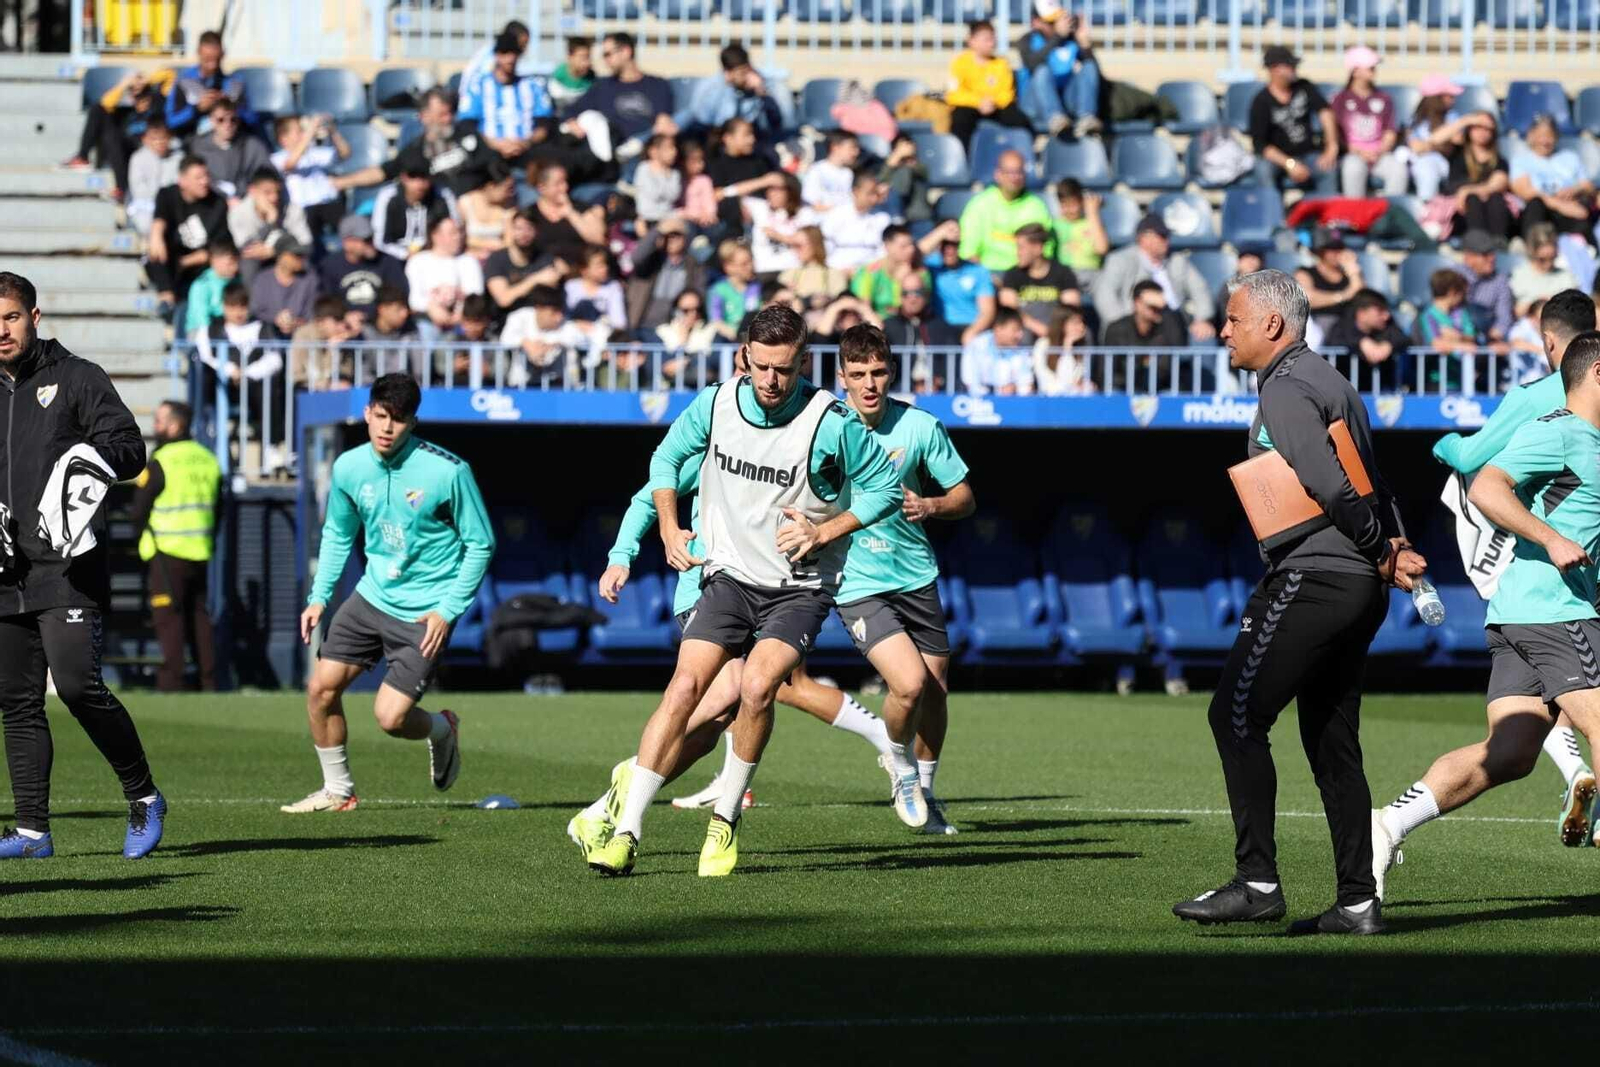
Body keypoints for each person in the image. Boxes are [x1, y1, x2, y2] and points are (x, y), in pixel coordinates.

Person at [584, 305, 904, 877]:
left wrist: (824, 531)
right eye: (761, 367)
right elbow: (665, 460)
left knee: (757, 689)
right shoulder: (714, 403)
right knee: (687, 689)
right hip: (727, 578)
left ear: (804, 363)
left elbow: (885, 489)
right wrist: (665, 529)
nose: (771, 381)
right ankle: (626, 828)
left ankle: (725, 817)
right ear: (744, 357)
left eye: (785, 369)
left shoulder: (831, 422)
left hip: (799, 587)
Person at [1173, 269, 1423, 934]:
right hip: (1357, 585)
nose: (1223, 331)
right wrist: (1392, 546)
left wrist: (1380, 547)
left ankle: (1256, 882)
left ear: (1272, 324)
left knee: (1234, 715)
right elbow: (1374, 481)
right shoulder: (1332, 381)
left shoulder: (1285, 386)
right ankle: (1357, 902)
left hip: (1315, 576)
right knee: (1331, 739)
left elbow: (1332, 486)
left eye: (1233, 319)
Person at [1373, 331, 1600, 897]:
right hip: (1556, 610)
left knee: (1510, 754)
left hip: (1521, 615)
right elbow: (1487, 489)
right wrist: (1551, 539)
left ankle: (1386, 825)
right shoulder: (1561, 431)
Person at [0, 272, 166, 860]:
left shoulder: (77, 377)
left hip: (69, 567)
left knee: (76, 686)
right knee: (17, 701)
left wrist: (90, 460)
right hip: (6, 571)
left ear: (34, 317)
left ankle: (144, 795)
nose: (1, 330)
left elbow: (130, 449)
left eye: (10, 317)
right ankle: (32, 832)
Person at [288, 374, 493, 814]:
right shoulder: (349, 467)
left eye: (398, 420)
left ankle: (442, 728)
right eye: (380, 416)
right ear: (367, 413)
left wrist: (447, 610)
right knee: (320, 689)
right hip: (370, 598)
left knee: (390, 718)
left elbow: (481, 544)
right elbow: (338, 534)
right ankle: (338, 791)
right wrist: (319, 596)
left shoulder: (448, 472)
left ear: (413, 423)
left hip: (424, 613)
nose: (386, 427)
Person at [130, 401, 221, 693]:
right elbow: (219, 509)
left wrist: (142, 538)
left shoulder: (162, 461)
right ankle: (209, 681)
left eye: (159, 421)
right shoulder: (208, 459)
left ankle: (173, 681)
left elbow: (138, 510)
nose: (155, 426)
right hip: (201, 549)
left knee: (168, 618)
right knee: (199, 616)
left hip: (167, 550)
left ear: (175, 425)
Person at [335, 88, 500, 199]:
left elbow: (494, 166)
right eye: (442, 115)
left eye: (450, 113)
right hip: (446, 215)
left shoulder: (467, 135)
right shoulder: (416, 151)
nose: (448, 119)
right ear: (424, 117)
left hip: (482, 203)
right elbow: (382, 172)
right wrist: (340, 182)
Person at [1092, 215, 1215, 339]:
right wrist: (1125, 325)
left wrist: (1202, 319)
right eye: (1162, 236)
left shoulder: (1177, 261)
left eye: (1167, 236)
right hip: (1132, 328)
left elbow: (1200, 290)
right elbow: (1104, 295)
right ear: (1144, 238)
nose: (1167, 241)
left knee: (1204, 335)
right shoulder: (1120, 260)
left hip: (1173, 327)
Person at [66, 66, 174, 201]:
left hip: (152, 146)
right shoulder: (128, 115)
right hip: (126, 151)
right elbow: (104, 104)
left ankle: (123, 190)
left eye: (145, 95)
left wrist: (146, 80)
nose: (141, 100)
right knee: (98, 113)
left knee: (116, 139)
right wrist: (124, 84)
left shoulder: (158, 105)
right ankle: (84, 158)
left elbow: (170, 75)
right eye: (136, 95)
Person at [571, 31, 676, 163]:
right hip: (616, 154)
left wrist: (663, 119)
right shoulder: (602, 87)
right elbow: (571, 111)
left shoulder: (657, 85)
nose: (605, 60)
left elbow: (665, 121)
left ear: (626, 51)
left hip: (649, 153)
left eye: (608, 54)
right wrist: (572, 123)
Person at [1249, 46, 1338, 193]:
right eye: (1289, 65)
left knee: (1328, 166)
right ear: (1274, 69)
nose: (1295, 68)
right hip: (1278, 159)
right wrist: (1290, 164)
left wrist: (1332, 146)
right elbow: (1260, 145)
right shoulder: (1261, 101)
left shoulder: (1304, 87)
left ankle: (1324, 207)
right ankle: (1270, 207)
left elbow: (1325, 112)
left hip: (1308, 153)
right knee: (1263, 168)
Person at [459, 30, 555, 167]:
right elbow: (467, 125)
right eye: (505, 53)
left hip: (527, 152)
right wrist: (495, 144)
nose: (510, 59)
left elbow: (544, 125)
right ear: (496, 55)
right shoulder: (478, 86)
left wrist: (525, 143)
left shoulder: (534, 86)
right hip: (488, 154)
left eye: (514, 53)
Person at [148, 155, 229, 314]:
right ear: (182, 181)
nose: (204, 181)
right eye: (198, 178)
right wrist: (155, 237)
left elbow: (218, 245)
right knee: (156, 247)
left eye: (206, 176)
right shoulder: (167, 194)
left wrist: (184, 262)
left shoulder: (218, 203)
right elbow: (159, 220)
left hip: (201, 261)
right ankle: (166, 297)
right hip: (171, 257)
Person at [956, 150, 1053, 273]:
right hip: (986, 274)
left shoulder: (1037, 207)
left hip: (1025, 274)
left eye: (1019, 172)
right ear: (998, 174)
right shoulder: (979, 204)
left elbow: (1045, 251)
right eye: (1010, 172)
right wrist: (987, 277)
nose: (1015, 177)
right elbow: (968, 251)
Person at [1331, 47, 1407, 199]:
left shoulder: (1384, 98)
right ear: (1355, 71)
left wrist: (1379, 151)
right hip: (1352, 155)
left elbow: (1390, 132)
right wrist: (1359, 152)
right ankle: (1355, 212)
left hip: (1380, 155)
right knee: (1353, 168)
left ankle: (1392, 211)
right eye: (1370, 68)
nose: (1374, 71)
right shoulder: (1340, 99)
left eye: (1374, 67)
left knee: (1398, 169)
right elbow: (1336, 135)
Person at [1510, 114, 1597, 243]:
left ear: (1556, 137)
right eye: (1540, 136)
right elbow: (1525, 191)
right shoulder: (1521, 161)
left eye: (1549, 136)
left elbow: (1588, 186)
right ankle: (1532, 246)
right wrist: (1559, 205)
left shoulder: (1570, 157)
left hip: (1570, 208)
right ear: (1531, 136)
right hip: (1543, 211)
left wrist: (1575, 190)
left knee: (1583, 216)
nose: (1545, 141)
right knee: (1535, 204)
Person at [676, 43, 785, 145]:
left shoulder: (758, 84)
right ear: (728, 73)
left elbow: (775, 122)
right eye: (742, 73)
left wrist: (762, 93)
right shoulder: (711, 87)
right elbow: (702, 121)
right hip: (715, 138)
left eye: (748, 71)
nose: (747, 77)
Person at [1018, 8, 1103, 139]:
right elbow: (1031, 63)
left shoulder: (1070, 40)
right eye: (1051, 22)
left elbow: (1095, 76)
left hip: (1065, 104)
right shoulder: (1027, 40)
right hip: (1034, 104)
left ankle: (1086, 117)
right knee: (1042, 70)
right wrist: (1056, 37)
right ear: (1035, 22)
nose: (1057, 25)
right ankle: (1054, 117)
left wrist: (1085, 45)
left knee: (1088, 66)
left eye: (1059, 20)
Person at [947, 20, 1032, 148]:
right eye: (986, 39)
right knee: (959, 119)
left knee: (1021, 121)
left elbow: (1007, 94)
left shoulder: (1001, 64)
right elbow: (954, 94)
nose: (992, 43)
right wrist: (978, 102)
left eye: (993, 39)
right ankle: (962, 155)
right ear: (972, 41)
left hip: (996, 106)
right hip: (971, 106)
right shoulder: (960, 63)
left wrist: (992, 102)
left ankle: (1021, 154)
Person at [271, 114, 352, 243]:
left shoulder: (314, 153)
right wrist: (310, 131)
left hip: (328, 204)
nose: (304, 133)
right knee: (306, 241)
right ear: (283, 138)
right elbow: (290, 164)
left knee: (352, 229)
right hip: (302, 209)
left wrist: (333, 131)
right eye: (299, 131)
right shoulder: (277, 158)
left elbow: (345, 154)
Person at [406, 216, 486, 345]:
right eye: (453, 233)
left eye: (459, 232)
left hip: (462, 323)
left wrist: (459, 314)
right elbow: (414, 299)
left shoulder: (469, 261)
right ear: (435, 235)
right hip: (426, 321)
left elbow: (475, 295)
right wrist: (431, 308)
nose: (458, 237)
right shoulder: (418, 261)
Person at [165, 29, 256, 139]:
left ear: (223, 54)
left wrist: (231, 107)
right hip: (194, 141)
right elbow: (171, 122)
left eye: (216, 60)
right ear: (199, 53)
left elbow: (252, 120)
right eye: (207, 59)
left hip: (231, 142)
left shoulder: (235, 84)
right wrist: (197, 109)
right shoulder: (184, 82)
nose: (213, 65)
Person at [319, 216, 409, 326]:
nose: (371, 243)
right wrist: (345, 316)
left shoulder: (388, 262)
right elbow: (327, 301)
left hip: (381, 325)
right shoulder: (330, 265)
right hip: (344, 325)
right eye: (366, 240)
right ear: (347, 242)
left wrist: (377, 317)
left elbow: (399, 296)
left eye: (371, 238)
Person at [229, 167, 313, 286]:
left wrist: (275, 249)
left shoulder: (293, 210)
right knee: (248, 263)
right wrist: (270, 223)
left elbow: (306, 245)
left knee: (303, 260)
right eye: (267, 192)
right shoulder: (238, 213)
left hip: (285, 253)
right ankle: (253, 297)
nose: (274, 198)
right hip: (258, 260)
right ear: (253, 191)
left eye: (277, 192)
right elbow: (248, 249)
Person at [851, 222, 952, 318]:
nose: (911, 250)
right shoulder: (869, 273)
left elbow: (921, 306)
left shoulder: (921, 272)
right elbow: (863, 309)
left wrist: (905, 281)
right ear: (887, 246)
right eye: (904, 246)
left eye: (912, 245)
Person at [1322, 287, 1412, 392]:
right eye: (1380, 311)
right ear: (1362, 314)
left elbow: (1404, 339)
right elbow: (1334, 342)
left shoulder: (1387, 325)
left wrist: (1388, 345)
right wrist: (1360, 342)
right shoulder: (1340, 327)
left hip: (1378, 392)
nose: (1386, 316)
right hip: (1343, 393)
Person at [1000, 222, 1080, 340]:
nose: (1017, 253)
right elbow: (1010, 310)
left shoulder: (1063, 273)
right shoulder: (1013, 274)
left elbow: (1071, 308)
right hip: (1024, 332)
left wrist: (1054, 332)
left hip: (1056, 331)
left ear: (1038, 248)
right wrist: (1041, 329)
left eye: (1021, 248)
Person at [1442, 112, 1513, 243]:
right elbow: (1434, 140)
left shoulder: (1499, 161)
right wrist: (1466, 121)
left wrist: (1468, 190)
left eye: (1487, 129)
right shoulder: (1457, 152)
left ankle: (1498, 243)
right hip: (1461, 211)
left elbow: (1498, 184)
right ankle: (1477, 244)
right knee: (1472, 200)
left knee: (1495, 198)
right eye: (1478, 126)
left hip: (1490, 212)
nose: (1483, 132)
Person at [370, 159, 460, 262]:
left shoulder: (443, 195)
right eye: (413, 176)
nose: (419, 183)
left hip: (434, 256)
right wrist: (405, 254)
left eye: (424, 177)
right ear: (403, 177)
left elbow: (455, 229)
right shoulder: (388, 196)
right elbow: (380, 240)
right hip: (397, 258)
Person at [501, 285, 590, 387]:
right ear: (539, 309)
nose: (559, 317)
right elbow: (505, 338)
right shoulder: (519, 317)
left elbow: (580, 338)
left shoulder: (566, 324)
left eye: (561, 312)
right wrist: (526, 343)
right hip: (521, 386)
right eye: (554, 312)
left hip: (558, 387)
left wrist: (552, 344)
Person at [626, 218, 707, 331]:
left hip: (675, 326)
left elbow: (699, 294)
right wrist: (658, 230)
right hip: (643, 323)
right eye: (667, 236)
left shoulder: (694, 265)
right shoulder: (652, 259)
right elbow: (636, 257)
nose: (671, 239)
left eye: (676, 235)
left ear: (685, 238)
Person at [525, 162, 608, 268]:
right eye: (558, 183)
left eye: (565, 181)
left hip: (581, 270)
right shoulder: (530, 214)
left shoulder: (580, 208)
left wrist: (570, 213)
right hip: (548, 271)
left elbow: (599, 239)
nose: (565, 187)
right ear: (542, 188)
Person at [189, 96, 270, 201]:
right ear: (211, 120)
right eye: (220, 120)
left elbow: (267, 175)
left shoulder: (252, 145)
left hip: (247, 200)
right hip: (212, 202)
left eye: (233, 120)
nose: (227, 124)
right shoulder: (199, 148)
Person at [1405, 77, 1467, 201]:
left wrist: (1429, 145)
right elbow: (1416, 147)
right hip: (1421, 164)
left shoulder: (1452, 116)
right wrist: (1441, 143)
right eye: (1449, 96)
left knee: (1428, 166)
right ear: (1436, 98)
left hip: (1450, 164)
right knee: (1425, 166)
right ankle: (1427, 206)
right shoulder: (1417, 119)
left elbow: (1458, 139)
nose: (1453, 99)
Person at [1296, 228, 1364, 336]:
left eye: (1340, 248)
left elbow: (1362, 298)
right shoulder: (1305, 273)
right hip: (1318, 323)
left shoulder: (1349, 273)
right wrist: (1342, 296)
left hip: (1347, 323)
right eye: (1332, 249)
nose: (1337, 253)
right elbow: (1307, 300)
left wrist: (1354, 272)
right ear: (1320, 252)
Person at [929, 235, 997, 343]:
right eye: (944, 245)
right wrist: (940, 233)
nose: (949, 250)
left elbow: (987, 311)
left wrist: (972, 332)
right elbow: (914, 253)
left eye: (953, 245)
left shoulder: (978, 271)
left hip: (972, 326)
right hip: (941, 327)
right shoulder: (931, 267)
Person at [821, 170, 892, 272]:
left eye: (876, 193)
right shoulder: (836, 214)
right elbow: (826, 247)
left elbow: (883, 252)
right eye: (870, 193)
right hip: (838, 269)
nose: (874, 198)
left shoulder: (883, 218)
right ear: (856, 192)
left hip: (870, 272)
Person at [1454, 230, 1515, 343]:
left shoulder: (1500, 281)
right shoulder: (1454, 276)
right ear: (1469, 257)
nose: (1492, 258)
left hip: (1487, 338)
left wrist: (1493, 338)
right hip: (1457, 336)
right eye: (1485, 254)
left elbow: (1504, 318)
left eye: (1493, 253)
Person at [745, 173, 810, 277]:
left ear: (790, 191)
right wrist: (762, 182)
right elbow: (728, 194)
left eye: (777, 189)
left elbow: (810, 242)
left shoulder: (804, 213)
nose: (771, 193)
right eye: (769, 188)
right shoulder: (760, 207)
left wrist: (779, 237)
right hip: (764, 271)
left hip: (793, 271)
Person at [250, 244, 318, 341]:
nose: (301, 259)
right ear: (281, 256)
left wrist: (296, 322)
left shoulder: (309, 280)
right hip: (268, 336)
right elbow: (256, 310)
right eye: (296, 255)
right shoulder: (262, 278)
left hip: (300, 337)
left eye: (302, 256)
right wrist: (275, 319)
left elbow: (311, 313)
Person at [960, 306, 1033, 395]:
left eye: (1021, 330)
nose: (1020, 335)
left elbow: (1026, 385)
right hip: (979, 401)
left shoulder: (1022, 352)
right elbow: (970, 382)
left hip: (1013, 401)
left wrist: (1015, 388)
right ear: (999, 328)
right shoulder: (977, 346)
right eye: (1015, 330)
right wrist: (998, 391)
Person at [1510, 224, 1578, 316]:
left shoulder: (1567, 277)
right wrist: (1536, 305)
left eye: (1552, 258)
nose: (1548, 264)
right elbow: (1513, 313)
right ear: (1532, 252)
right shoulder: (1518, 276)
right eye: (1542, 259)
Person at [126, 120, 179, 236]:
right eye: (154, 139)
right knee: (148, 226)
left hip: (172, 206)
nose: (159, 142)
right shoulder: (138, 158)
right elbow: (138, 190)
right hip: (146, 207)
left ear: (169, 138)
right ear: (146, 140)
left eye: (163, 138)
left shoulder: (178, 158)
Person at [778, 227, 849, 312]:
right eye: (792, 245)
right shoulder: (789, 273)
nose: (794, 250)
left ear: (815, 245)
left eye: (799, 245)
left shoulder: (833, 274)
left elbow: (842, 304)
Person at [457, 161, 518, 260]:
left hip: (499, 258)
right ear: (491, 187)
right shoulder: (465, 203)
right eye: (508, 189)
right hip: (470, 258)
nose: (512, 193)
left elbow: (509, 242)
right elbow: (460, 239)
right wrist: (489, 245)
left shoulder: (509, 207)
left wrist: (477, 243)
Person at [1053, 179, 1108, 285]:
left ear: (1082, 202)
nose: (1070, 210)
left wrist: (1092, 212)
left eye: (1073, 204)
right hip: (1063, 274)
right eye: (1065, 205)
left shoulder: (1092, 222)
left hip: (1090, 274)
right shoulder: (1055, 225)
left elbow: (1102, 248)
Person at [184, 239, 243, 338]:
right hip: (201, 332)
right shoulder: (202, 285)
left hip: (230, 329)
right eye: (230, 263)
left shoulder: (237, 281)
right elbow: (201, 320)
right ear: (214, 261)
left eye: (237, 262)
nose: (235, 267)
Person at [1033, 305, 1093, 395]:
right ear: (1061, 324)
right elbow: (1049, 386)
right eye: (1076, 322)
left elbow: (1079, 383)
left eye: (1082, 322)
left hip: (1074, 401)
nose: (1082, 326)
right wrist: (1067, 346)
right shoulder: (1042, 345)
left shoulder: (1079, 347)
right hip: (1049, 400)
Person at [709, 240, 762, 339]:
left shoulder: (758, 287)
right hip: (728, 343)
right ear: (728, 267)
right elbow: (716, 322)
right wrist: (739, 336)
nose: (751, 267)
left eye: (751, 261)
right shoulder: (718, 290)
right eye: (744, 264)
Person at [877, 134, 933, 226]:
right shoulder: (885, 167)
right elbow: (878, 183)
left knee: (904, 171)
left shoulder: (920, 167)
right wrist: (894, 160)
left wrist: (907, 161)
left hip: (918, 218)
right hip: (890, 217)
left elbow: (921, 172)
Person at [800, 131, 861, 213]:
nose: (856, 152)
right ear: (835, 147)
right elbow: (813, 205)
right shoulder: (817, 170)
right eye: (852, 147)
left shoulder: (848, 173)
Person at [632, 133, 682, 229]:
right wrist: (661, 173)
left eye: (674, 147)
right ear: (654, 151)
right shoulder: (644, 168)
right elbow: (654, 193)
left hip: (668, 217)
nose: (674, 151)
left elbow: (673, 195)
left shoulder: (675, 173)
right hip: (648, 219)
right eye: (669, 148)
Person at [549, 36, 595, 111]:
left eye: (589, 57)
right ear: (570, 57)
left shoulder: (593, 80)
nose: (588, 63)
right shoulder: (555, 80)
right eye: (583, 58)